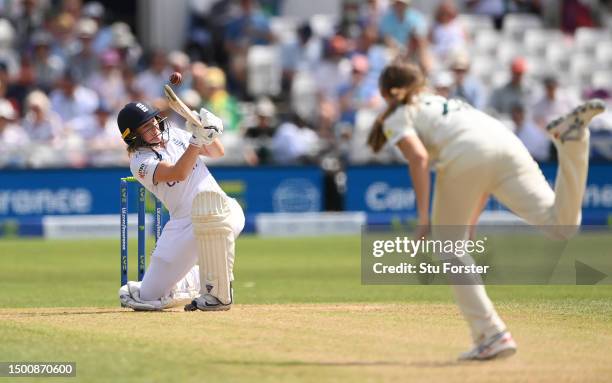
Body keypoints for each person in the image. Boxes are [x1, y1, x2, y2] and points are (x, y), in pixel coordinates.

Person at [367, 61, 605, 360]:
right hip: (505, 142)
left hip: (468, 151)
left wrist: (424, 217)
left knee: (447, 247)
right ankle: (574, 142)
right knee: (562, 226)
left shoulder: (399, 113)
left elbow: (419, 158)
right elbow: (481, 168)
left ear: (386, 92)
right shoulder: (445, 102)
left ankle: (492, 334)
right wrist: (469, 221)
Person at [117, 101, 245, 312]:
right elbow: (178, 173)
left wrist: (205, 130)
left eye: (154, 122)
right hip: (183, 224)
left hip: (222, 209)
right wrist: (196, 140)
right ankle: (197, 278)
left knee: (215, 220)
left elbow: (216, 152)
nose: (155, 128)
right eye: (146, 127)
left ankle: (218, 293)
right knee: (148, 295)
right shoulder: (139, 162)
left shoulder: (175, 135)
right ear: (133, 136)